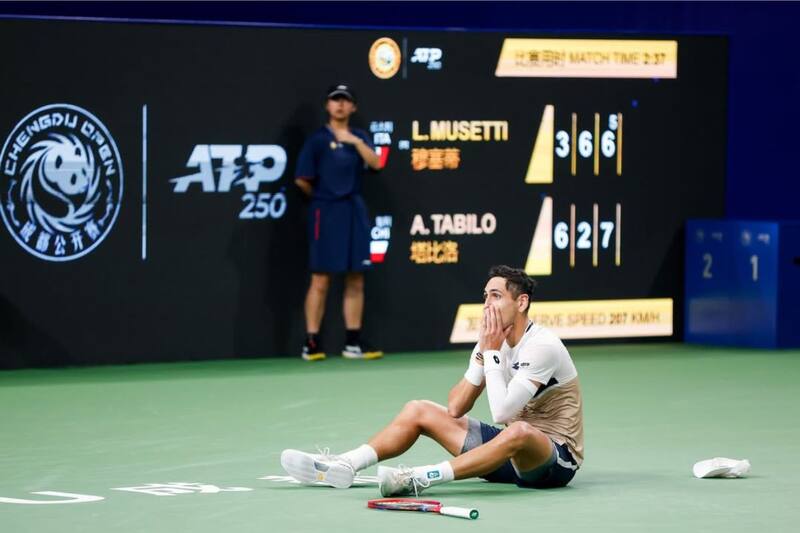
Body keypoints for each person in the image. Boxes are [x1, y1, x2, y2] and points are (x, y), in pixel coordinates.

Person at [280, 265, 584, 494]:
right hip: (504, 456)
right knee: (418, 409)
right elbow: (455, 408)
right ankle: (346, 463)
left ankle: (419, 478)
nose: (487, 304)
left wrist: (490, 354)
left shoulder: (542, 346)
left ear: (521, 303)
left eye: (496, 296)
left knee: (518, 430)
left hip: (553, 462)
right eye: (484, 297)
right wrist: (483, 355)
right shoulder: (490, 341)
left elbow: (502, 414)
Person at [294, 84, 384, 362]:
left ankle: (353, 342)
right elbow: (302, 179)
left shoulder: (360, 137)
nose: (340, 105)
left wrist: (353, 141)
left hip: (353, 211)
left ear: (353, 107)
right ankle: (312, 342)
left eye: (345, 101)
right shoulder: (317, 140)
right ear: (327, 106)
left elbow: (377, 163)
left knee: (356, 277)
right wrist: (323, 198)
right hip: (325, 211)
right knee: (320, 278)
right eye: (335, 100)